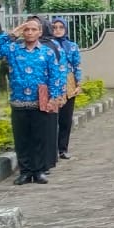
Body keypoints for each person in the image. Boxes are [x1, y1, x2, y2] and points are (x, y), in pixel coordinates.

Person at [0, 17, 63, 185]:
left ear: (40, 32)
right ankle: (25, 171)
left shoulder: (47, 52)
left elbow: (55, 77)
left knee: (40, 137)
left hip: (40, 102)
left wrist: (54, 97)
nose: (29, 32)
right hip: (19, 101)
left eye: (33, 30)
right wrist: (12, 34)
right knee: (22, 139)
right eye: (26, 29)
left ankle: (39, 171)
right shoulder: (13, 50)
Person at [48, 19, 82, 162]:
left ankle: (63, 149)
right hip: (52, 84)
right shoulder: (47, 45)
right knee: (51, 119)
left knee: (66, 119)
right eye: (54, 27)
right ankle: (51, 150)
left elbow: (77, 65)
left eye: (61, 27)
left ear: (66, 29)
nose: (57, 30)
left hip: (68, 83)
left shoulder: (72, 46)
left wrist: (78, 84)